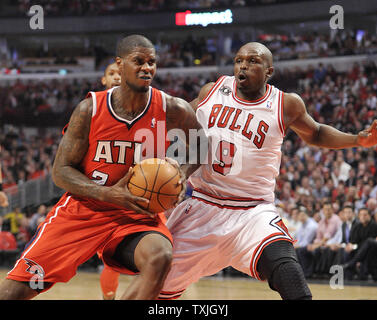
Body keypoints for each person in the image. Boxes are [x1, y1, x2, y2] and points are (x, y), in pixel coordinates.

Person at [158, 42, 377, 300]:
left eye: (253, 61)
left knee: (287, 270)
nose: (244, 65)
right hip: (202, 204)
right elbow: (177, 121)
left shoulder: (285, 104)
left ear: (269, 71)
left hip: (253, 211)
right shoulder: (212, 90)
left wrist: (356, 139)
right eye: (239, 60)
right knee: (157, 287)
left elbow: (316, 132)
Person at [0, 34, 202, 300]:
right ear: (119, 65)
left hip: (136, 216)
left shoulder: (172, 108)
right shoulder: (89, 109)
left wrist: (181, 176)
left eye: (152, 62)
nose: (147, 68)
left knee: (160, 256)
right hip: (83, 211)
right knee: (13, 293)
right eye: (138, 61)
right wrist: (108, 193)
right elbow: (61, 172)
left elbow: (202, 146)